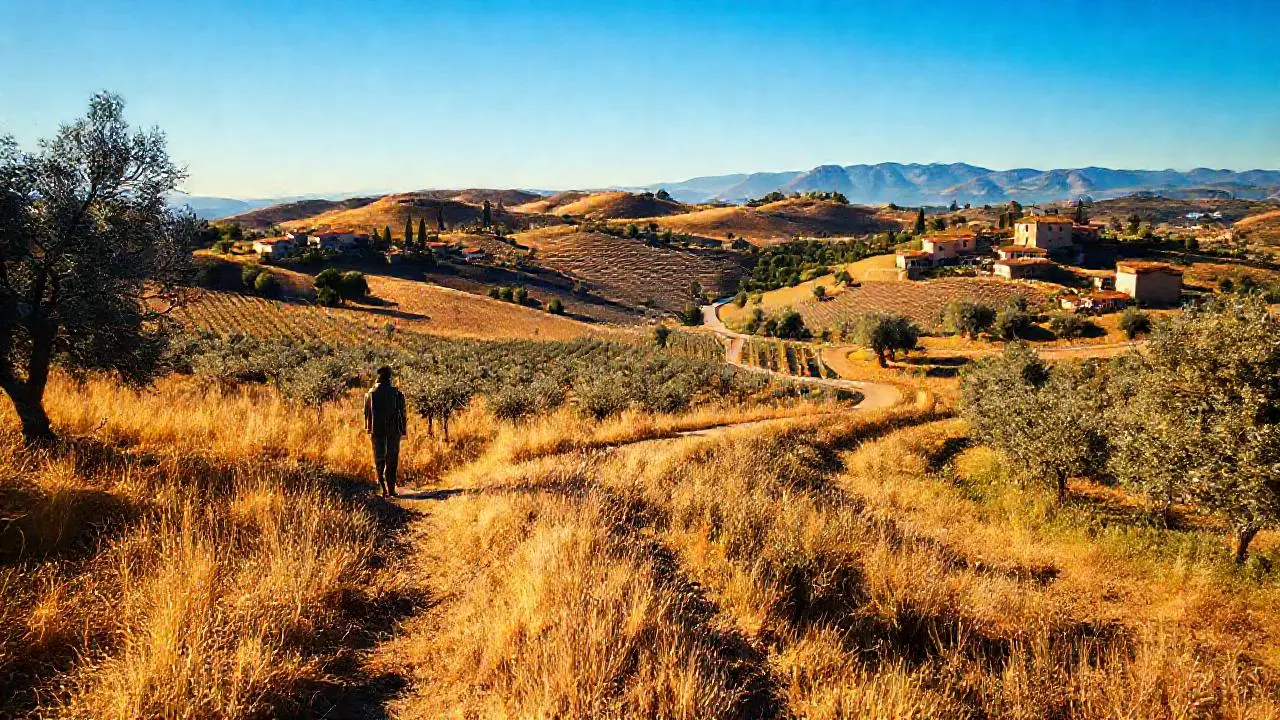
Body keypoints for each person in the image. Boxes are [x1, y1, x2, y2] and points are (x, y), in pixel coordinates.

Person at [364, 365, 407, 497]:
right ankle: (391, 489)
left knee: (379, 459)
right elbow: (402, 413)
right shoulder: (396, 393)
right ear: (389, 377)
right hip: (393, 431)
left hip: (376, 431)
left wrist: (369, 428)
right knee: (392, 460)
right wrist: (403, 430)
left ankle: (383, 488)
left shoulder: (370, 394)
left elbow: (366, 414)